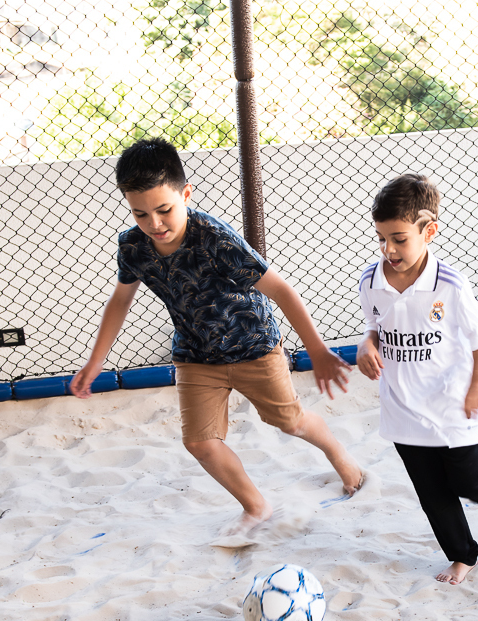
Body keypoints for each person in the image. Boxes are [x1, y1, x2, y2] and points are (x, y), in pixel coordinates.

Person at [69, 138, 363, 536]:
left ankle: (336, 452)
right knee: (200, 442)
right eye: (140, 213)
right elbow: (120, 300)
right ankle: (256, 506)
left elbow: (281, 291)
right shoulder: (134, 247)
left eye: (165, 210)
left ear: (185, 194)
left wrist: (317, 348)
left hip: (254, 348)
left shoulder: (216, 240)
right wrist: (96, 360)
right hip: (195, 356)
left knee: (289, 421)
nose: (154, 223)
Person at [355, 174, 478, 585]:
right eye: (382, 238)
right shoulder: (371, 280)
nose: (389, 249)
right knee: (433, 496)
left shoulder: (451, 285)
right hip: (403, 408)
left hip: (451, 403)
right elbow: (375, 325)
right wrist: (366, 345)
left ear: (429, 231)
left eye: (399, 238)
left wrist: (477, 385)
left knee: (466, 479)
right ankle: (464, 555)